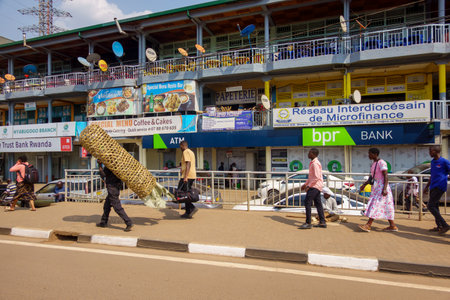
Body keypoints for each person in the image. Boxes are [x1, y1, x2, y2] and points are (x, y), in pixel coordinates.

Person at [358, 148, 397, 232]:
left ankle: (368, 225)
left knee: (375, 205)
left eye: (370, 154)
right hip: (377, 187)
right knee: (386, 206)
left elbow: (386, 176)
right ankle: (392, 225)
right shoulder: (374, 164)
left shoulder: (382, 163)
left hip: (382, 187)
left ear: (375, 154)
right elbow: (371, 177)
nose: (368, 155)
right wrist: (364, 185)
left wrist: (384, 189)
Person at [96, 160, 133, 232]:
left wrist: (100, 165)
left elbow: (103, 175)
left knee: (117, 207)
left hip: (112, 189)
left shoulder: (109, 166)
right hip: (116, 187)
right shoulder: (119, 167)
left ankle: (128, 222)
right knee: (106, 206)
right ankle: (103, 222)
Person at [424, 145, 450, 235]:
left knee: (430, 206)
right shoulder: (432, 162)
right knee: (435, 206)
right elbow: (432, 175)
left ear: (435, 151)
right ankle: (440, 226)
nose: (429, 153)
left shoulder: (444, 162)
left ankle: (445, 225)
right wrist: (426, 187)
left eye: (430, 151)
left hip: (440, 186)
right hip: (433, 186)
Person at [299, 148, 326, 229]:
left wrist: (308, 186)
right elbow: (311, 177)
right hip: (316, 185)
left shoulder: (315, 164)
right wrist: (305, 184)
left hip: (315, 186)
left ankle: (308, 223)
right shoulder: (313, 163)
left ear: (313, 154)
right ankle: (322, 222)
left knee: (307, 202)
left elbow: (316, 177)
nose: (308, 154)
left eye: (309, 153)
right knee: (318, 204)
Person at [178, 141, 198, 219]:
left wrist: (185, 177)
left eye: (180, 146)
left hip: (187, 176)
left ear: (183, 145)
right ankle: (188, 212)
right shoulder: (191, 152)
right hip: (191, 175)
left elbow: (188, 164)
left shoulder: (185, 152)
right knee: (186, 193)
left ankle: (191, 208)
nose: (180, 148)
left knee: (182, 193)